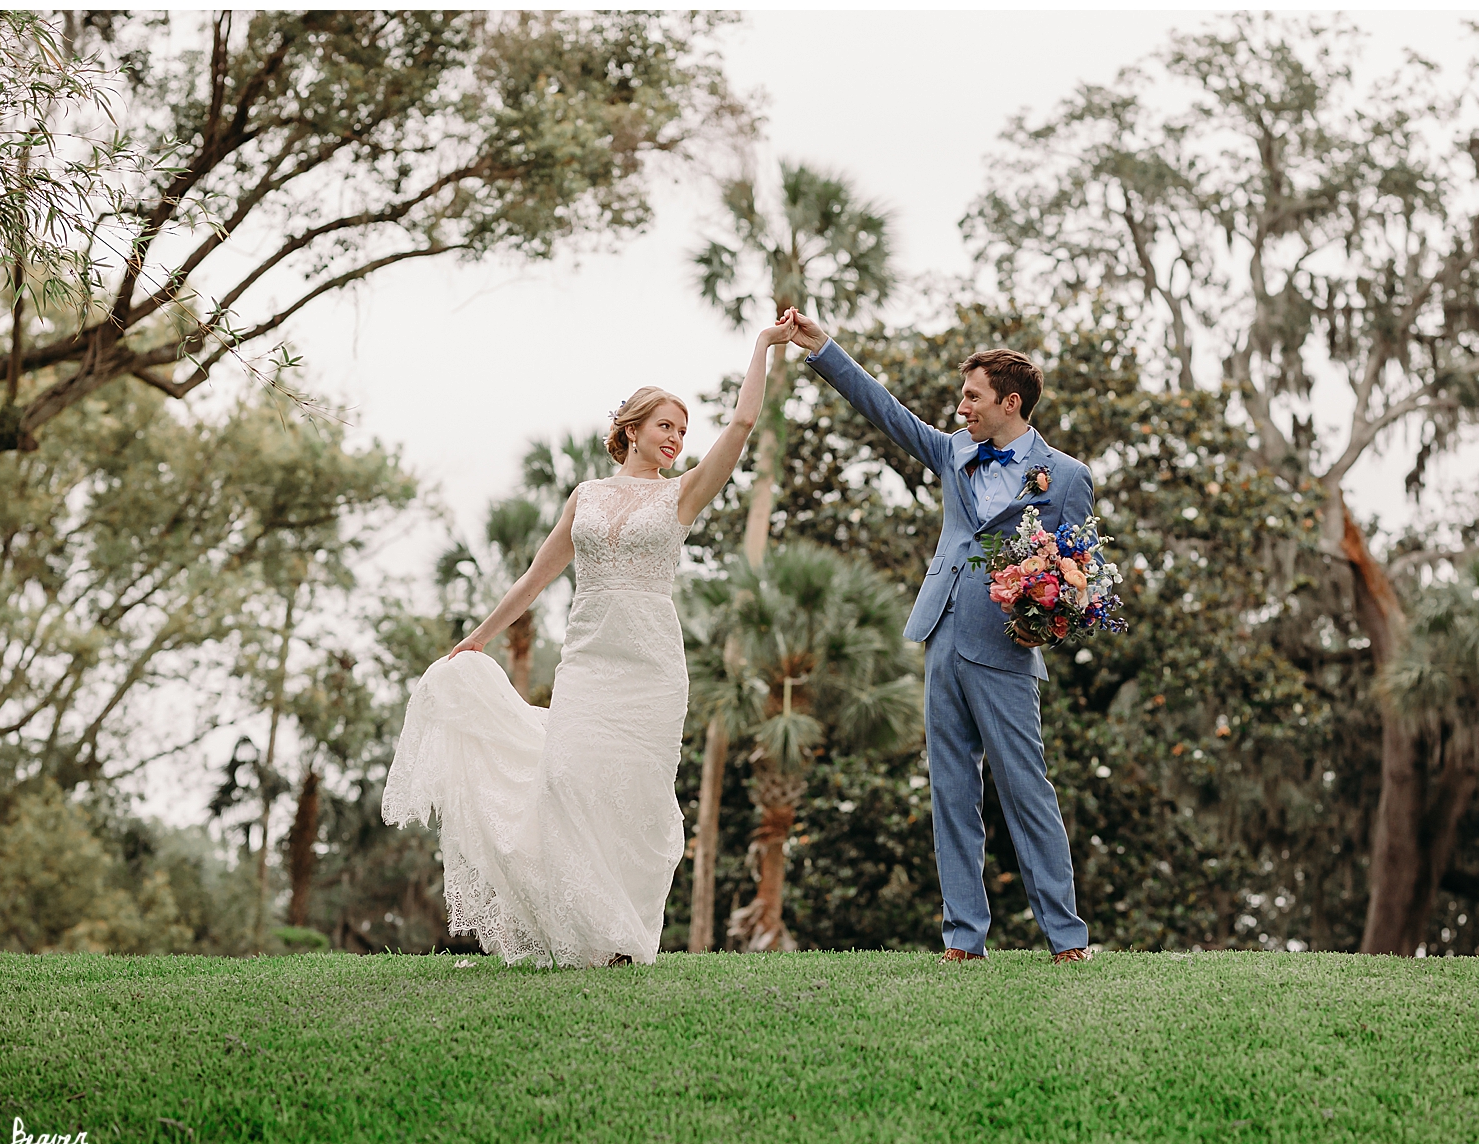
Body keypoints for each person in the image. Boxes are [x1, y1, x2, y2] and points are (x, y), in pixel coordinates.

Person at [383, 313, 798, 967]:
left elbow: (742, 425)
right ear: (631, 428)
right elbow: (533, 578)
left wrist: (763, 348)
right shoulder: (587, 496)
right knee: (566, 781)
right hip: (588, 659)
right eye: (665, 424)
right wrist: (478, 638)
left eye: (684, 430)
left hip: (652, 665)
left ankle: (622, 943)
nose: (677, 438)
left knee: (636, 801)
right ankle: (585, 929)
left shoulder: (684, 494)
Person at [786, 309, 1097, 964]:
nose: (961, 408)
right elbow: (889, 413)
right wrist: (824, 349)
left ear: (1010, 402)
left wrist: (1048, 614)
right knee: (950, 789)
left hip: (1007, 648)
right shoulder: (953, 450)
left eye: (973, 397)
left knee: (1025, 787)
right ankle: (963, 938)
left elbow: (1077, 569)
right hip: (941, 634)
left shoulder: (1065, 476)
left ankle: (1066, 937)